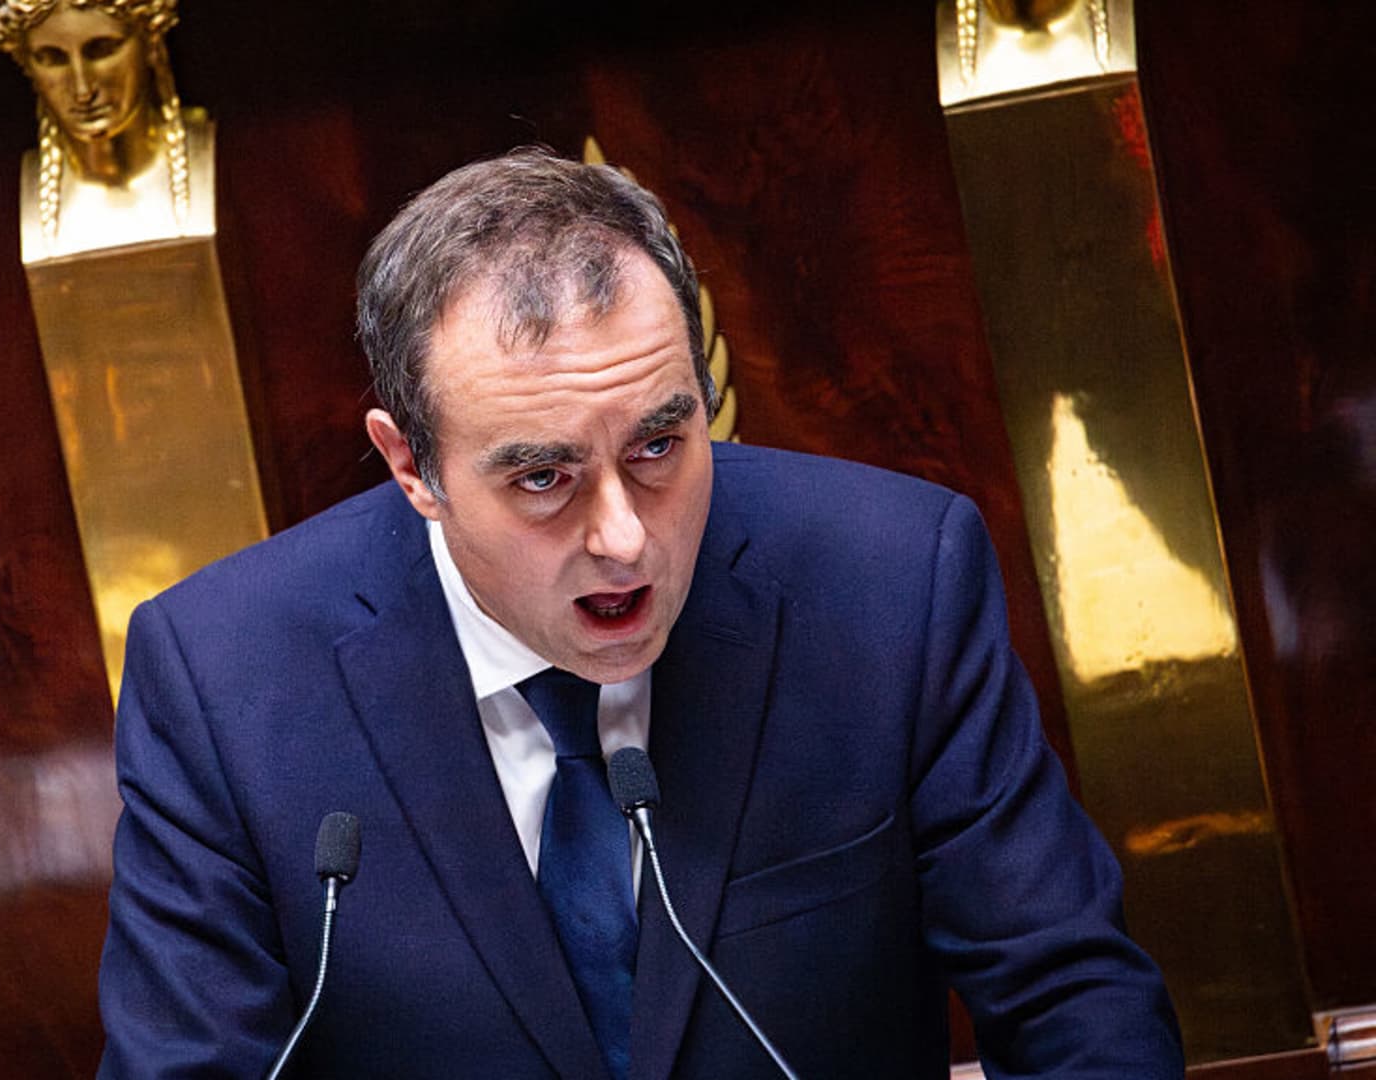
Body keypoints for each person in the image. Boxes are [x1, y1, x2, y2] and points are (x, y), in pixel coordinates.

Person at [95, 148, 1184, 1078]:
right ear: (410, 466)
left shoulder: (891, 583)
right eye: (543, 478)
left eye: (660, 445)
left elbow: (1073, 1001)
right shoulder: (224, 681)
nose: (624, 537)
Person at [0, 0, 197, 252]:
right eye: (52, 58)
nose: (83, 90)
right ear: (26, 64)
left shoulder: (220, 160)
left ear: (151, 41)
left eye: (102, 50)